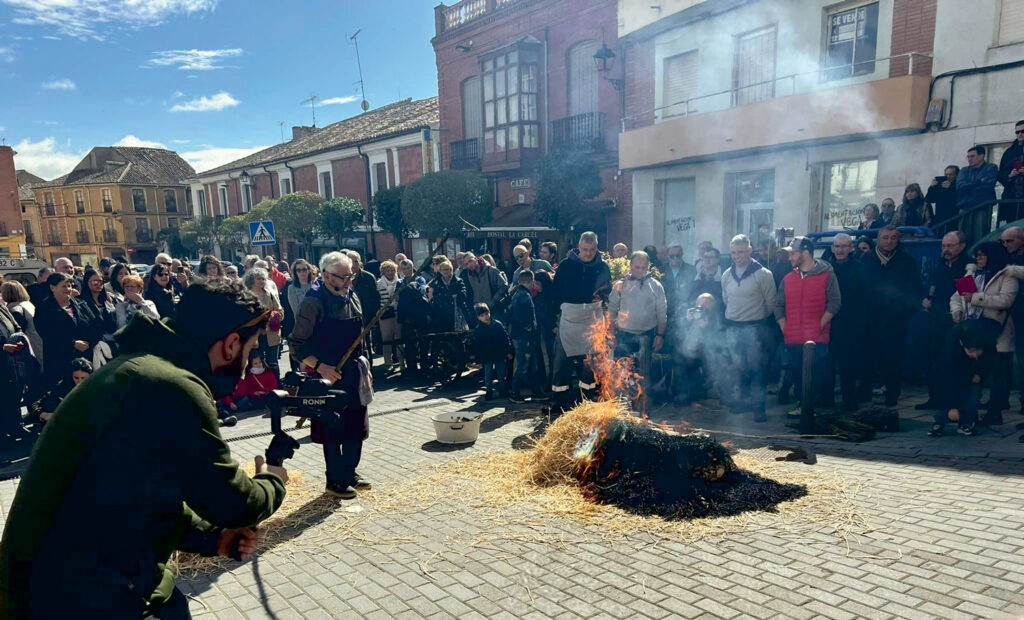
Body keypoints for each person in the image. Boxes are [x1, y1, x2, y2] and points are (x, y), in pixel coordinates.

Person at [0, 278, 288, 618]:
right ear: (230, 345)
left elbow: (142, 493)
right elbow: (235, 503)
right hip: (80, 597)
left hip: (65, 587)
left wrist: (213, 538)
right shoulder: (171, 385)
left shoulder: (140, 369)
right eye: (250, 351)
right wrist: (273, 479)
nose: (244, 367)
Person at [289, 251, 370, 499]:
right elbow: (296, 345)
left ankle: (349, 472)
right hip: (327, 377)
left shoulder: (352, 295)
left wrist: (367, 368)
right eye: (343, 277)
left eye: (351, 275)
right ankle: (334, 480)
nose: (348, 281)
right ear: (326, 275)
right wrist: (321, 367)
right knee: (333, 428)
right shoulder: (313, 302)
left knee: (357, 425)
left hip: (354, 373)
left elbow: (361, 336)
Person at [950, 242, 1023, 425]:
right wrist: (957, 311)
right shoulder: (972, 273)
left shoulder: (1006, 275)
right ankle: (969, 412)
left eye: (983, 255)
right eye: (978, 255)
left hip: (996, 331)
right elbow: (956, 296)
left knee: (998, 377)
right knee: (973, 375)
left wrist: (975, 298)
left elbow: (1005, 300)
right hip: (973, 331)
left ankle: (994, 413)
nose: (979, 259)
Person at [775, 237, 841, 420]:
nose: (790, 257)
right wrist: (784, 327)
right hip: (793, 337)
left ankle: (809, 406)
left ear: (805, 253)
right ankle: (802, 405)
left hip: (817, 338)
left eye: (793, 253)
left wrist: (818, 326)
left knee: (816, 373)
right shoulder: (788, 278)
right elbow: (778, 305)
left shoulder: (827, 275)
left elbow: (835, 303)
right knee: (796, 372)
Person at [861, 226, 923, 406]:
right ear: (878, 239)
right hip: (870, 319)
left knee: (894, 359)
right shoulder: (866, 259)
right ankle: (865, 393)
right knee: (867, 358)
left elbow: (914, 289)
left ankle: (892, 395)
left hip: (895, 319)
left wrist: (904, 310)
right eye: (886, 237)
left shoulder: (907, 260)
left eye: (893, 238)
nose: (889, 241)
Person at [550, 231, 612, 415]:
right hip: (569, 318)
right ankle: (559, 402)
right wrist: (555, 317)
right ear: (578, 246)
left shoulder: (602, 267)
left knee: (590, 363)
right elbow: (555, 292)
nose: (588, 254)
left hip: (592, 318)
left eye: (592, 250)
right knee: (561, 362)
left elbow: (606, 292)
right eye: (585, 250)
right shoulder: (566, 265)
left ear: (596, 247)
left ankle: (586, 400)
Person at [721, 234, 776, 422]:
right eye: (734, 253)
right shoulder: (726, 275)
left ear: (750, 250)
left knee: (756, 369)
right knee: (738, 368)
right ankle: (742, 403)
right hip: (733, 328)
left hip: (755, 328)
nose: (738, 256)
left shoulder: (763, 274)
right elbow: (726, 300)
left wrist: (755, 317)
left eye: (742, 252)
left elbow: (771, 304)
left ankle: (758, 408)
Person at [608, 251, 668, 409]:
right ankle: (623, 408)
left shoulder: (656, 286)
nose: (640, 271)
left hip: (646, 337)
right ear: (630, 265)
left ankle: (641, 409)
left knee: (642, 376)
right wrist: (611, 334)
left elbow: (662, 314)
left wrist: (660, 335)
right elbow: (611, 311)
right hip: (623, 336)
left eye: (643, 268)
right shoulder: (620, 286)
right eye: (637, 267)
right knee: (623, 374)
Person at [918, 231, 970, 411]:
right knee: (933, 358)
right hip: (935, 317)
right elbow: (929, 287)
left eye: (950, 246)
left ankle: (954, 402)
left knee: (953, 360)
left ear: (961, 246)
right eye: (944, 246)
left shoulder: (967, 266)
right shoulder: (939, 265)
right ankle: (934, 397)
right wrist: (925, 299)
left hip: (955, 318)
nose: (946, 250)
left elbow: (967, 294)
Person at [928, 318, 1000, 437]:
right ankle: (940, 420)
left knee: (973, 395)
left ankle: (966, 423)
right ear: (963, 346)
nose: (975, 355)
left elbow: (990, 362)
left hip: (975, 371)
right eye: (971, 351)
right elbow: (946, 379)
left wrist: (980, 374)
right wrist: (951, 406)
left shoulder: (987, 343)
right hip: (952, 371)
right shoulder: (951, 348)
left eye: (978, 351)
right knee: (952, 391)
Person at [826, 234, 871, 412]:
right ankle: (826, 398)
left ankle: (849, 400)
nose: (840, 250)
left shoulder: (861, 269)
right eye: (837, 246)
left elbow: (866, 298)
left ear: (851, 248)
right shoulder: (827, 269)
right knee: (827, 363)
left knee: (847, 365)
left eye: (844, 246)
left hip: (851, 323)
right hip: (829, 321)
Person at [35, 272, 97, 387]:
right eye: (64, 286)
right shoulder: (44, 308)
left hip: (84, 358)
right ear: (52, 287)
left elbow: (95, 324)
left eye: (70, 286)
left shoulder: (80, 304)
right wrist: (72, 343)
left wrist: (89, 342)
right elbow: (47, 334)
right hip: (59, 361)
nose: (68, 289)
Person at [216, 351, 280, 427]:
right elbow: (225, 393)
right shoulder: (248, 376)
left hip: (261, 396)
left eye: (260, 362)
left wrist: (262, 391)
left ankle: (227, 412)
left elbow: (274, 385)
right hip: (234, 401)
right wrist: (230, 402)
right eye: (255, 363)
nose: (258, 365)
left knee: (246, 400)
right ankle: (227, 411)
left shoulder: (268, 372)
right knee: (220, 402)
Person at [28, 356, 92, 427]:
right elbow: (36, 405)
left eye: (83, 378)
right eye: (76, 378)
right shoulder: (63, 387)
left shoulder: (98, 389)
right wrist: (44, 414)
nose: (80, 382)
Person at [507, 270, 541, 403]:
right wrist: (528, 327)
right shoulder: (524, 295)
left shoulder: (517, 293)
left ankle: (536, 391)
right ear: (530, 281)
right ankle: (515, 392)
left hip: (521, 335)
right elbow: (520, 315)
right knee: (523, 365)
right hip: (523, 336)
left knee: (531, 365)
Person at [244, 267, 283, 379]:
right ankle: (257, 387)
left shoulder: (270, 294)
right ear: (251, 280)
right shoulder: (246, 296)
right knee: (256, 363)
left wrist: (274, 316)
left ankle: (276, 386)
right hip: (254, 336)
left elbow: (280, 311)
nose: (261, 281)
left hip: (271, 334)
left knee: (273, 363)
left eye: (263, 279)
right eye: (258, 279)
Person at [471, 303, 512, 400]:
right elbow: (477, 346)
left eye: (486, 314)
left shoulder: (497, 324)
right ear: (478, 318)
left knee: (501, 373)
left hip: (499, 353)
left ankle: (502, 390)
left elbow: (505, 338)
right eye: (482, 316)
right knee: (488, 374)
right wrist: (479, 360)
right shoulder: (479, 329)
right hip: (487, 355)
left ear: (489, 313)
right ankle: (489, 391)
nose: (485, 317)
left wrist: (508, 351)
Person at [957, 145, 1000, 238]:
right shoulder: (964, 170)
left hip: (981, 207)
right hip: (965, 207)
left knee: (979, 236)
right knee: (962, 237)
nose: (969, 159)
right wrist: (978, 182)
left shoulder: (991, 168)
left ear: (981, 156)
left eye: (972, 156)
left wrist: (969, 186)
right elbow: (960, 187)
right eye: (968, 157)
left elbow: (987, 187)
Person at [396, 258, 430, 374]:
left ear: (412, 267)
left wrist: (407, 290)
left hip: (420, 315)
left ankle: (425, 366)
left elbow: (421, 291)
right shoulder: (399, 282)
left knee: (423, 342)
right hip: (407, 317)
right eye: (404, 268)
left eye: (408, 268)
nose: (406, 271)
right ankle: (412, 368)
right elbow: (397, 297)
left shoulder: (420, 279)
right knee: (409, 343)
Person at [2, 280, 43, 371]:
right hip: (38, 341)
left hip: (29, 345)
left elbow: (19, 333)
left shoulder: (15, 309)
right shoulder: (28, 304)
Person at [348, 251, 380, 354]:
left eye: (356, 261)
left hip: (366, 316)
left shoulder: (369, 277)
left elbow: (376, 298)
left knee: (366, 342)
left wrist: (373, 314)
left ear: (360, 262)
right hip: (349, 317)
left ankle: (368, 361)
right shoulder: (342, 278)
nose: (353, 265)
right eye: (351, 262)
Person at [428, 259, 472, 333]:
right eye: (443, 270)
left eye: (447, 269)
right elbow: (437, 298)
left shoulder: (458, 281)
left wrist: (450, 297)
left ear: (451, 270)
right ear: (440, 271)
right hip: (442, 316)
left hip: (456, 314)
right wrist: (451, 296)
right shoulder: (436, 283)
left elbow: (463, 295)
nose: (445, 271)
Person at [376, 260, 402, 371]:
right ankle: (388, 362)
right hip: (385, 313)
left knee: (399, 337)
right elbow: (377, 299)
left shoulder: (400, 282)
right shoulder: (379, 283)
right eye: (388, 270)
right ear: (383, 271)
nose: (391, 272)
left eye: (392, 270)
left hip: (398, 311)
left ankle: (401, 361)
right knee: (386, 338)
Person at [998, 120, 1024, 219]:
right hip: (1012, 199)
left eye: (1023, 131)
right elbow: (1000, 174)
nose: (1020, 134)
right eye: (1017, 132)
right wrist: (1009, 174)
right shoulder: (1009, 152)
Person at [661, 244, 697, 316]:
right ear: (668, 256)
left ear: (682, 255)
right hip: (666, 311)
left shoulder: (691, 270)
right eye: (672, 256)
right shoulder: (661, 270)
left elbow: (694, 290)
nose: (675, 258)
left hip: (684, 311)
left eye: (678, 256)